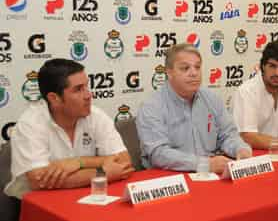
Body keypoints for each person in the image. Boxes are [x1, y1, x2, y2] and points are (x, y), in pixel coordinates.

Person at [5, 58, 134, 199]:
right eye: (78, 89)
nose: (88, 95)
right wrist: (102, 172)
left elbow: (124, 162)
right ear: (54, 98)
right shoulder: (30, 123)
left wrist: (79, 162)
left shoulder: (95, 115)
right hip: (39, 204)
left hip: (86, 196)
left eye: (86, 86)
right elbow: (39, 180)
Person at [136, 43, 252, 174]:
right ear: (169, 72)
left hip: (209, 175)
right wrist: (204, 164)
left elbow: (228, 135)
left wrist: (241, 149)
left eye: (197, 67)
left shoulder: (211, 98)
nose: (194, 73)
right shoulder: (152, 106)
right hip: (171, 179)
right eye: (185, 68)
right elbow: (158, 154)